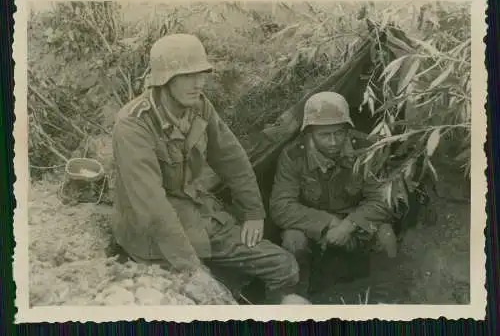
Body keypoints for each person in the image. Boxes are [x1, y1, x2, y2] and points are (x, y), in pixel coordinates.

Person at [111, 33, 305, 304]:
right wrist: (190, 267)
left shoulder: (199, 106)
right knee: (209, 292)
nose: (199, 83)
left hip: (198, 214)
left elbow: (231, 157)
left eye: (202, 74)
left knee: (284, 266)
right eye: (188, 76)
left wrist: (253, 211)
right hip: (156, 235)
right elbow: (152, 206)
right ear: (164, 79)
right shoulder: (134, 125)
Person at [269, 91, 398, 297]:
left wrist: (349, 225)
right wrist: (328, 222)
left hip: (356, 222)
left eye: (339, 133)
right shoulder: (294, 156)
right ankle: (297, 302)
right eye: (324, 135)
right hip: (313, 226)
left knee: (386, 236)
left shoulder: (366, 149)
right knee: (293, 240)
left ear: (348, 129)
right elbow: (281, 206)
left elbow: (383, 199)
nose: (333, 142)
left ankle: (385, 301)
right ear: (309, 133)